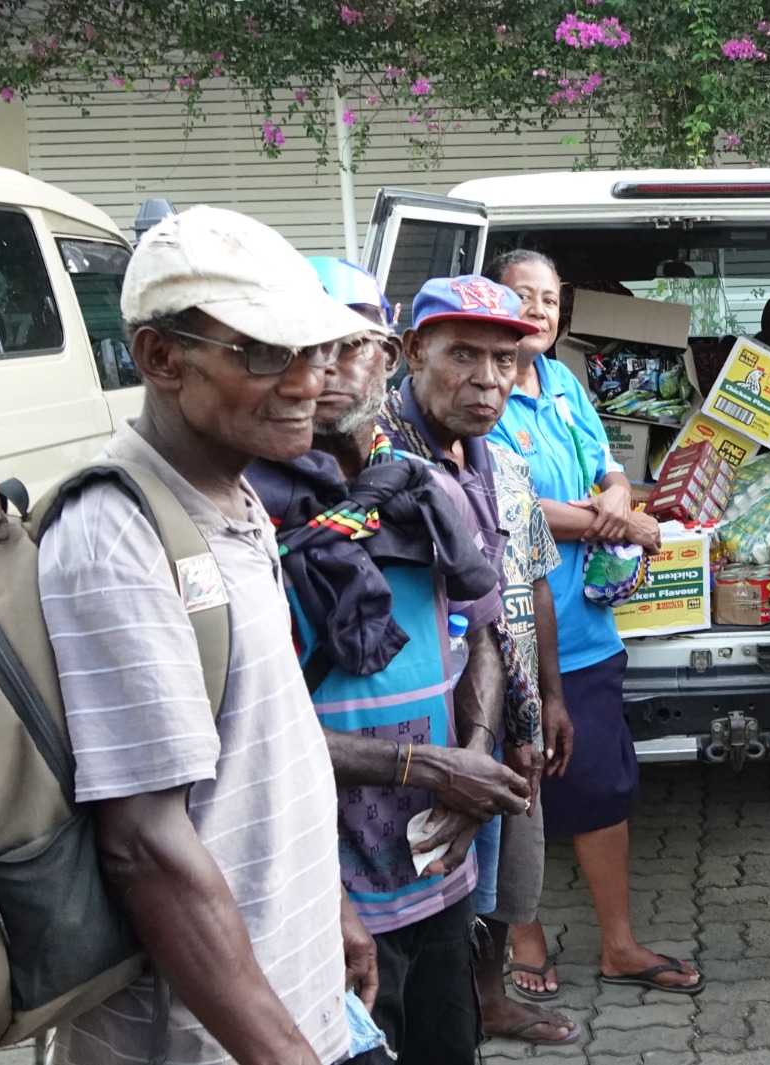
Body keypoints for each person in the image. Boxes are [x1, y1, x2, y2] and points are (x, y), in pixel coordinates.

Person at [39, 205, 379, 1064]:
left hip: (286, 991)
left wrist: (329, 908)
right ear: (161, 358)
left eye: (315, 351)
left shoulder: (233, 496)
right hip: (203, 1039)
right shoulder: (117, 536)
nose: (306, 383)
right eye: (263, 353)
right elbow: (143, 847)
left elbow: (263, 750)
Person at [246, 268, 532, 1064]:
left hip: (435, 867)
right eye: (304, 348)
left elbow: (481, 636)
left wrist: (475, 753)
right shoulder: (246, 511)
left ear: (387, 356)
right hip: (319, 887)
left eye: (351, 345)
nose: (327, 368)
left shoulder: (426, 490)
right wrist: (435, 768)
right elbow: (250, 729)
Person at [485, 249, 703, 994]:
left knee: (602, 788)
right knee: (516, 786)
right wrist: (621, 523)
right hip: (509, 635)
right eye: (523, 296)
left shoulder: (563, 383)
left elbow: (607, 466)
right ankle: (524, 936)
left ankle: (619, 945)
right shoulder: (482, 392)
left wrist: (615, 495)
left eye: (549, 299)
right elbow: (511, 508)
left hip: (585, 630)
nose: (538, 310)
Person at [371, 272, 579, 1045]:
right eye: (463, 354)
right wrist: (460, 754)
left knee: (488, 886)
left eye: (502, 359)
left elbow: (515, 594)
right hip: (400, 755)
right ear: (412, 352)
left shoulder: (494, 460)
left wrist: (527, 713)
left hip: (485, 724)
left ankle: (484, 1001)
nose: (487, 379)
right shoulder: (373, 462)